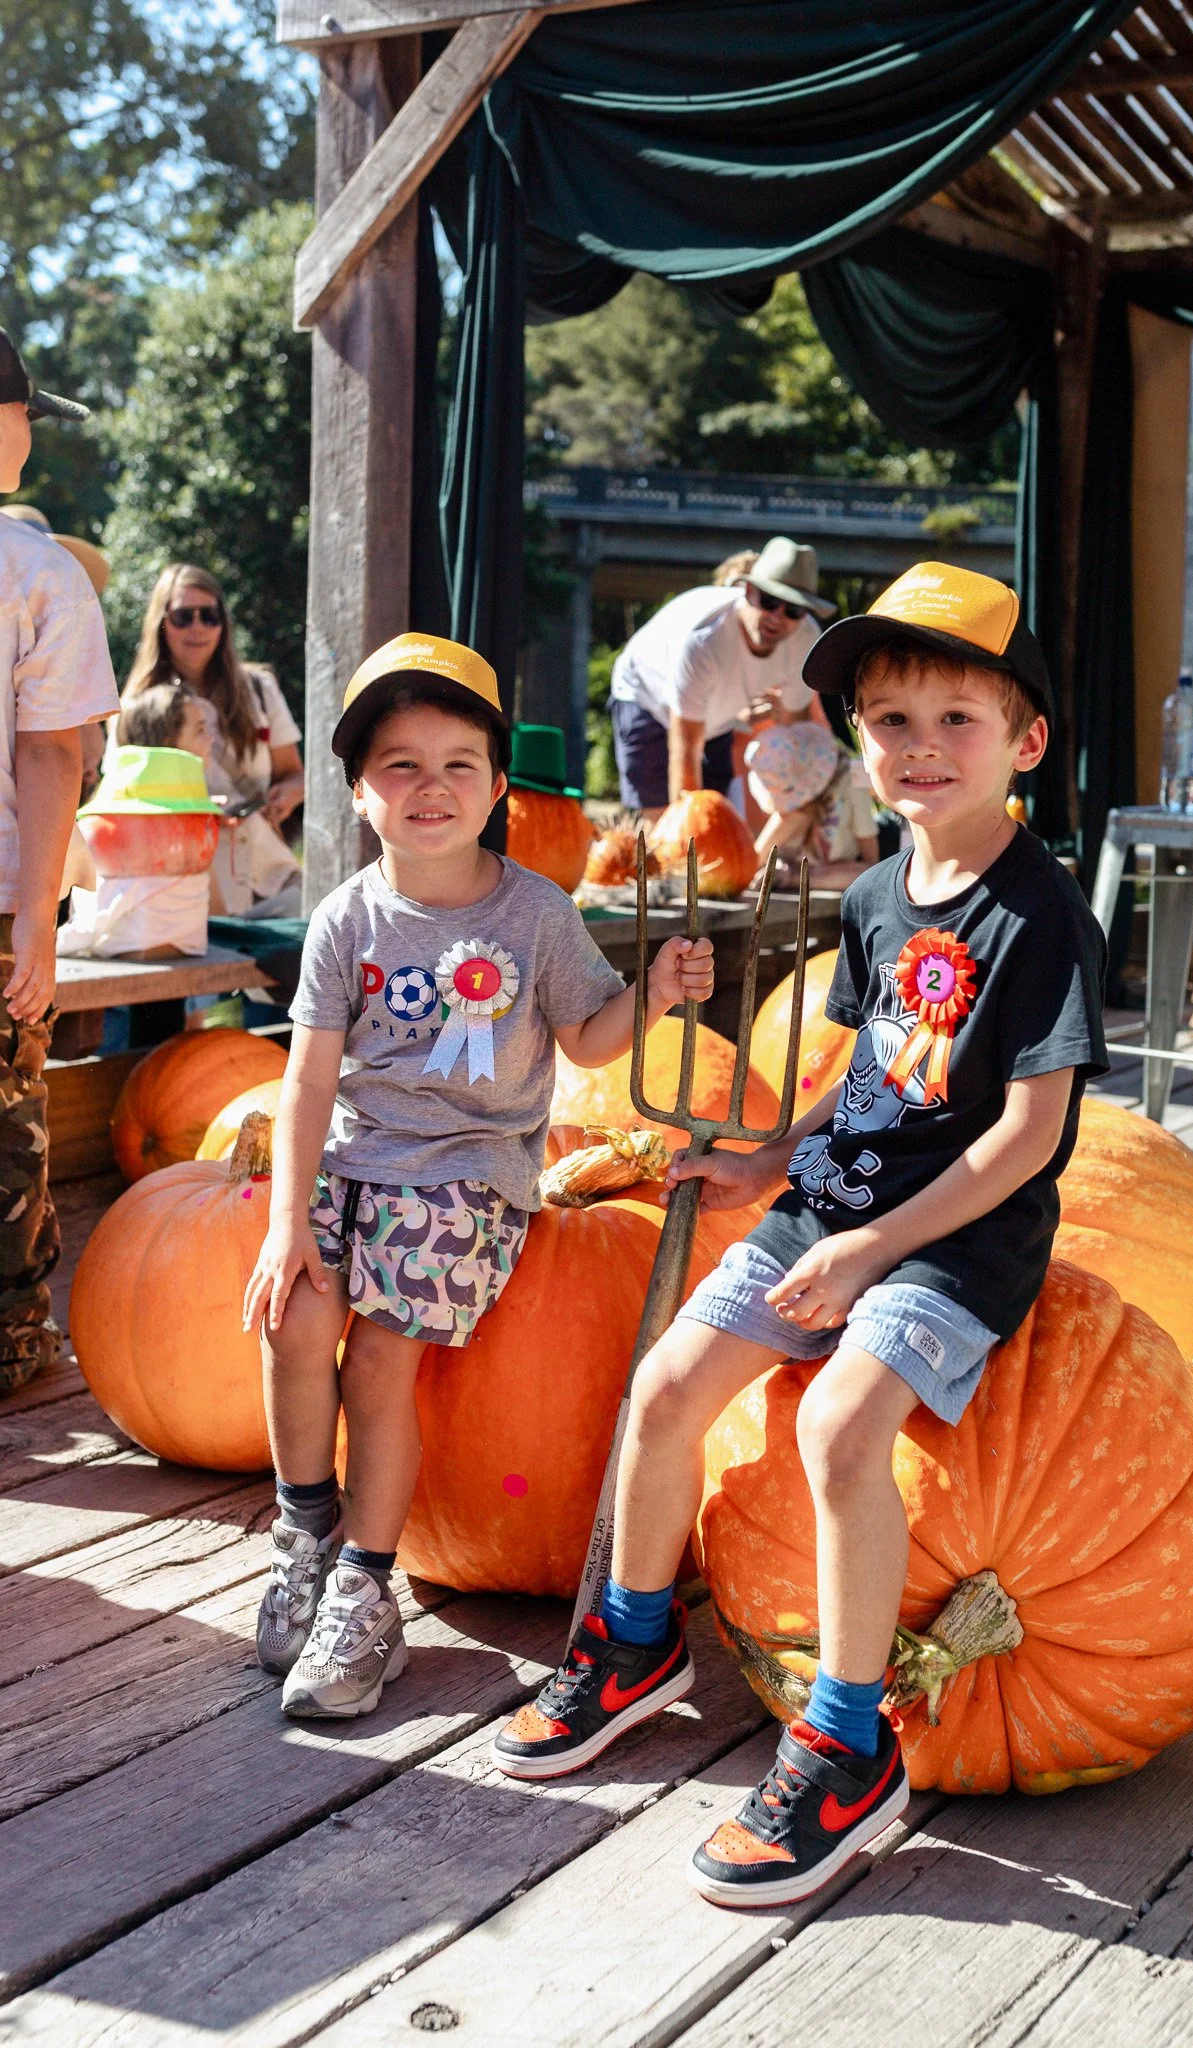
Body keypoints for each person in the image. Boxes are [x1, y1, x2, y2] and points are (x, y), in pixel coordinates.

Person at [493, 561, 1108, 1909]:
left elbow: (1025, 1138)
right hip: (830, 1204)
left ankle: (843, 1741)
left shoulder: (1041, 913)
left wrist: (873, 1247)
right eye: (891, 721)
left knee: (838, 1427)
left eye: (957, 719)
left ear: (1026, 742)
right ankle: (636, 1644)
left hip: (959, 1237)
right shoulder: (884, 893)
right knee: (662, 1388)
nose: (919, 748)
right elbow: (880, 1072)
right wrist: (778, 1157)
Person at [242, 632, 714, 1720]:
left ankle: (367, 1583)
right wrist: (286, 1226)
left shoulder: (537, 913)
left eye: (459, 762)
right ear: (360, 791)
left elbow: (589, 1043)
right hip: (354, 1157)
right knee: (295, 1321)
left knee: (378, 1358)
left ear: (499, 787)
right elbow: (311, 1080)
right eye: (400, 763)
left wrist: (651, 993)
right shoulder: (346, 916)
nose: (431, 785)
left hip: (464, 1177)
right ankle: (303, 1532)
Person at [0, 330, 119, 1388]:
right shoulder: (37, 570)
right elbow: (50, 753)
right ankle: (6, 1337)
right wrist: (37, 912)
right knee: (3, 1123)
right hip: (0, 895)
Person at [609, 536, 835, 821]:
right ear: (749, 590)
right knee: (663, 819)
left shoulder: (805, 640)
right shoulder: (705, 638)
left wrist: (798, 804)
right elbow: (685, 748)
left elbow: (791, 734)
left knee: (716, 813)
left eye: (794, 609)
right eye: (769, 601)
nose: (778, 617)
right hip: (646, 696)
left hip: (716, 720)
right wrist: (686, 835)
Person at [122, 565, 304, 917]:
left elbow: (294, 774)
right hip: (185, 880)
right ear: (161, 622)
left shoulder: (258, 689)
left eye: (209, 615)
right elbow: (127, 797)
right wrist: (196, 810)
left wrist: (285, 797)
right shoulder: (137, 703)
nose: (198, 627)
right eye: (182, 616)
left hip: (267, 875)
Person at [744, 719, 879, 890]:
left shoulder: (850, 781)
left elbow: (871, 866)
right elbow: (754, 861)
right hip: (795, 874)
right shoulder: (791, 812)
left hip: (834, 873)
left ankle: (797, 878)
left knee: (864, 874)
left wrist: (796, 877)